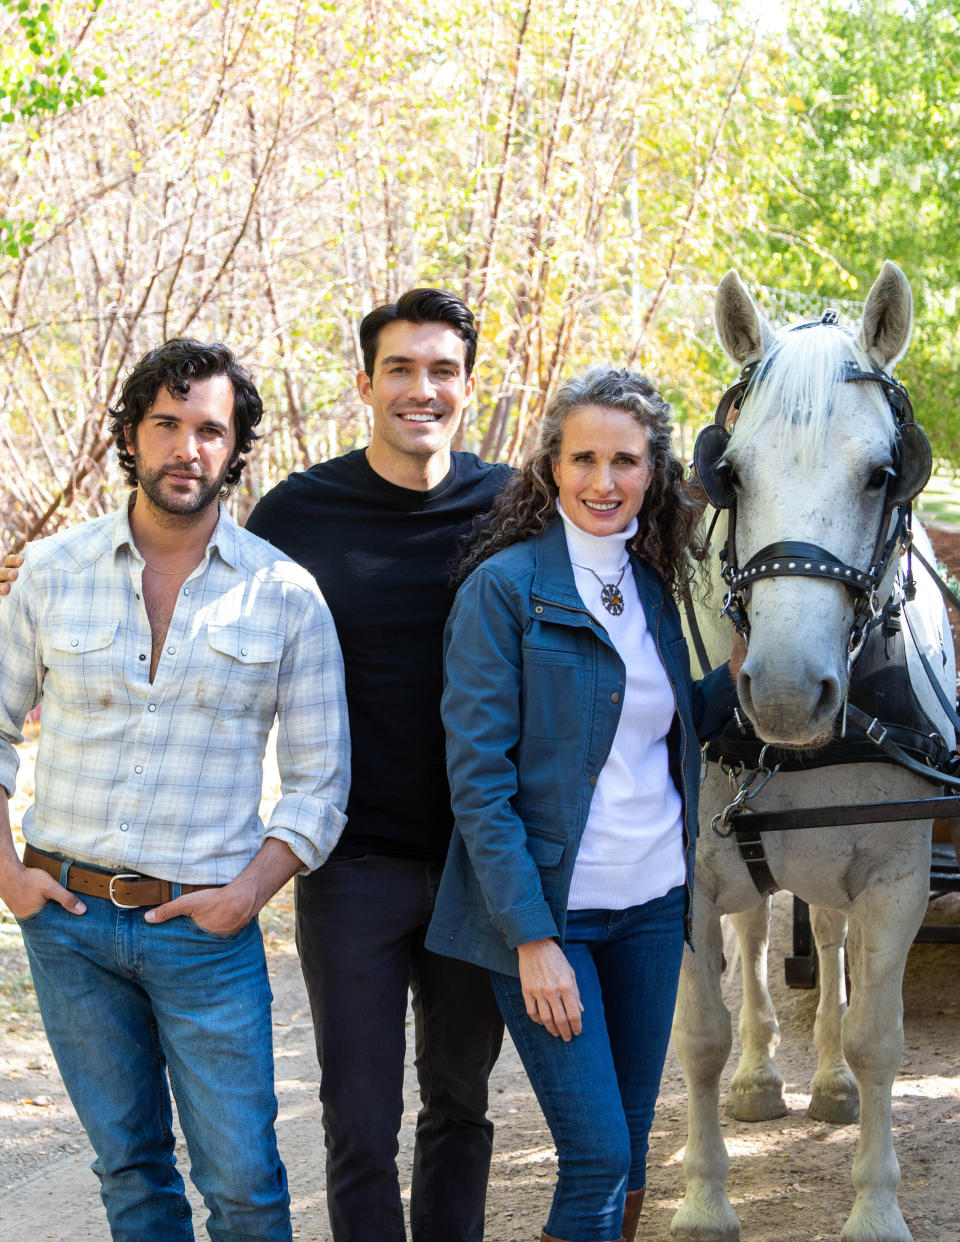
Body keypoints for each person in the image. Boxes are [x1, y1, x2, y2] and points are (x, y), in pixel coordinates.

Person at [0, 339, 350, 1242]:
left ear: (235, 449)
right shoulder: (52, 572)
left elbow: (319, 784)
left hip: (204, 931)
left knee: (242, 1184)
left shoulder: (287, 596)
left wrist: (246, 897)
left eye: (209, 429)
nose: (186, 448)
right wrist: (8, 874)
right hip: (67, 923)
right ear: (130, 435)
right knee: (128, 1170)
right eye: (166, 424)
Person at [425, 367, 744, 1242]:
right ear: (550, 469)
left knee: (632, 1150)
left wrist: (743, 670)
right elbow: (478, 785)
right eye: (584, 459)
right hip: (549, 918)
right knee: (597, 1154)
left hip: (651, 905)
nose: (604, 482)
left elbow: (668, 726)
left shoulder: (652, 589)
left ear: (656, 471)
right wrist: (533, 940)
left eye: (626, 461)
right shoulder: (505, 589)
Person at [242, 289, 511, 1242]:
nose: (421, 389)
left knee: (460, 1104)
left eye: (442, 370)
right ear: (365, 384)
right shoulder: (296, 514)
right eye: (400, 368)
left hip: (480, 864)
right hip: (349, 862)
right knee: (359, 1119)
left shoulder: (515, 505)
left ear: (468, 388)